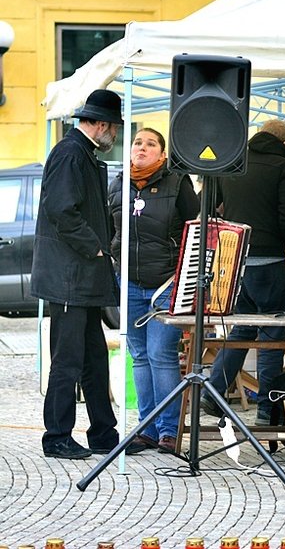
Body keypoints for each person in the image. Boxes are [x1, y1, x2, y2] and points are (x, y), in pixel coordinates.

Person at [31, 89, 124, 459]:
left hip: (80, 277)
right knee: (68, 360)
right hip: (69, 276)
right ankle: (56, 437)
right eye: (113, 128)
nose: (114, 135)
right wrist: (96, 246)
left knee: (94, 359)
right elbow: (62, 210)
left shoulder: (80, 152)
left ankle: (103, 433)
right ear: (99, 124)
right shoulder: (71, 153)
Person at [201, 119, 285, 425]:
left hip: (234, 262)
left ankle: (215, 392)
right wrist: (279, 241)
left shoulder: (232, 163)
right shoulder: (283, 167)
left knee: (241, 329)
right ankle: (266, 410)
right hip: (269, 262)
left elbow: (206, 204)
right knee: (273, 333)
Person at [108, 128, 200, 454]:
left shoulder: (178, 183)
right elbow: (109, 229)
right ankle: (146, 428)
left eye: (150, 144)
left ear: (162, 154)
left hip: (166, 284)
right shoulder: (118, 184)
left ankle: (169, 431)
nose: (142, 148)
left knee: (161, 355)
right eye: (137, 143)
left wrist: (185, 275)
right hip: (128, 284)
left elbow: (194, 229)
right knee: (140, 356)